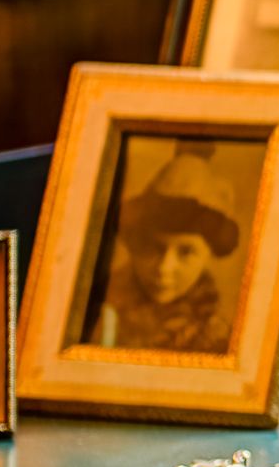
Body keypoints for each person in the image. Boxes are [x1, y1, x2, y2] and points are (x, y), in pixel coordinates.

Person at [96, 142, 241, 354]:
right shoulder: (98, 310)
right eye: (153, 247)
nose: (164, 268)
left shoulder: (216, 336)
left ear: (208, 255)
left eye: (186, 252)